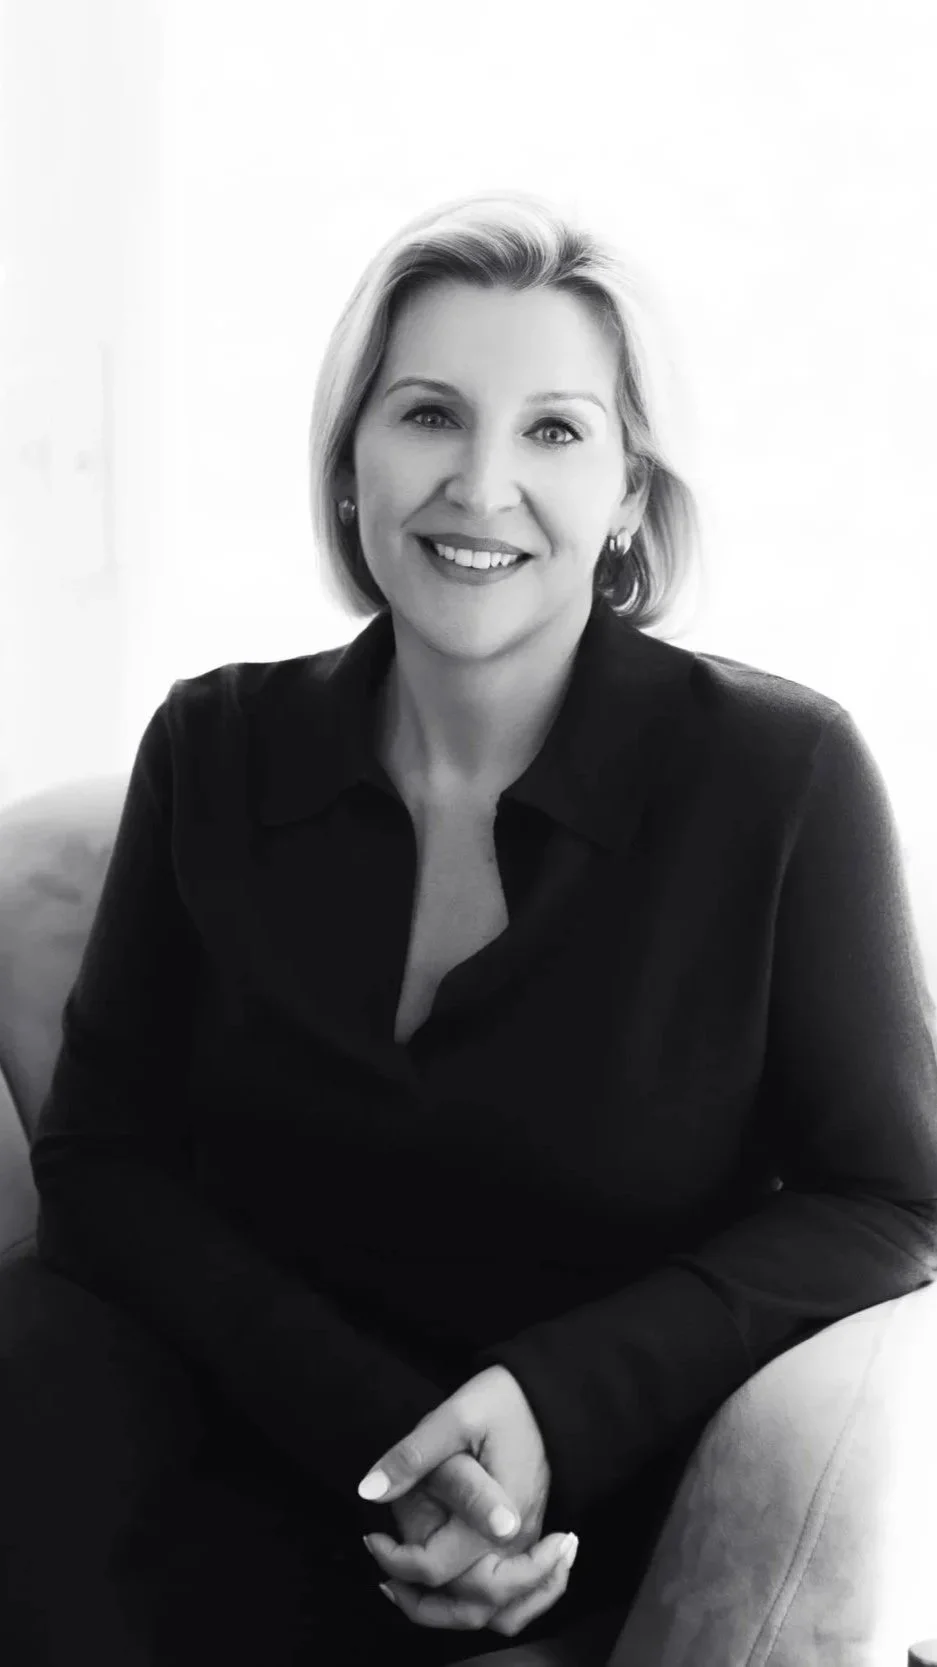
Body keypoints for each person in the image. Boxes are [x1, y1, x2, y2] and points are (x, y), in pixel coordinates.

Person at [3, 186, 936, 1667]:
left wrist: (554, 1406)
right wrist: (386, 1439)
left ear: (630, 490)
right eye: (430, 415)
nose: (482, 484)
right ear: (350, 463)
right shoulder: (212, 746)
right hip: (229, 1442)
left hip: (583, 1503)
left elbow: (892, 1198)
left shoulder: (784, 778)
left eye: (555, 430)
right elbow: (101, 1163)